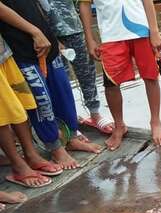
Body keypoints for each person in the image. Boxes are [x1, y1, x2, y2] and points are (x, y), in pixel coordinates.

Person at [0, 0, 102, 170]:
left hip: (48, 41)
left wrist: (50, 35)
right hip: (22, 46)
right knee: (42, 100)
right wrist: (34, 31)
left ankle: (71, 138)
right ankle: (55, 147)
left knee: (63, 92)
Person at [79, 0, 161, 150]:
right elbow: (85, 4)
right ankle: (119, 126)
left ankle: (155, 121)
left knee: (151, 76)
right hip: (110, 35)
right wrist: (90, 40)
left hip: (141, 29)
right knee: (111, 83)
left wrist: (154, 31)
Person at [0, 32, 58, 194]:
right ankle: (18, 165)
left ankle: (30, 154)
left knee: (19, 103)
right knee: (3, 112)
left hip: (3, 52)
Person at [44, 0, 113, 134]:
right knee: (60, 80)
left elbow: (83, 3)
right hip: (48, 35)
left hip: (74, 29)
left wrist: (89, 38)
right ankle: (68, 121)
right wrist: (51, 39)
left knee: (87, 72)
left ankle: (95, 114)